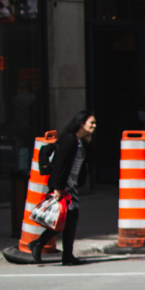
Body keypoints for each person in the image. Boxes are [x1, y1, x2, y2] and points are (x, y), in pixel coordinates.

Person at [30, 110, 96, 266]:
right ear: (82, 124)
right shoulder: (70, 140)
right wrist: (58, 188)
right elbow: (60, 165)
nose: (94, 125)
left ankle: (66, 255)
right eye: (91, 123)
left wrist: (88, 141)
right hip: (63, 186)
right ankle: (40, 244)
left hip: (70, 186)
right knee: (66, 219)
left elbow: (90, 160)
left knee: (70, 219)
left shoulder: (80, 141)